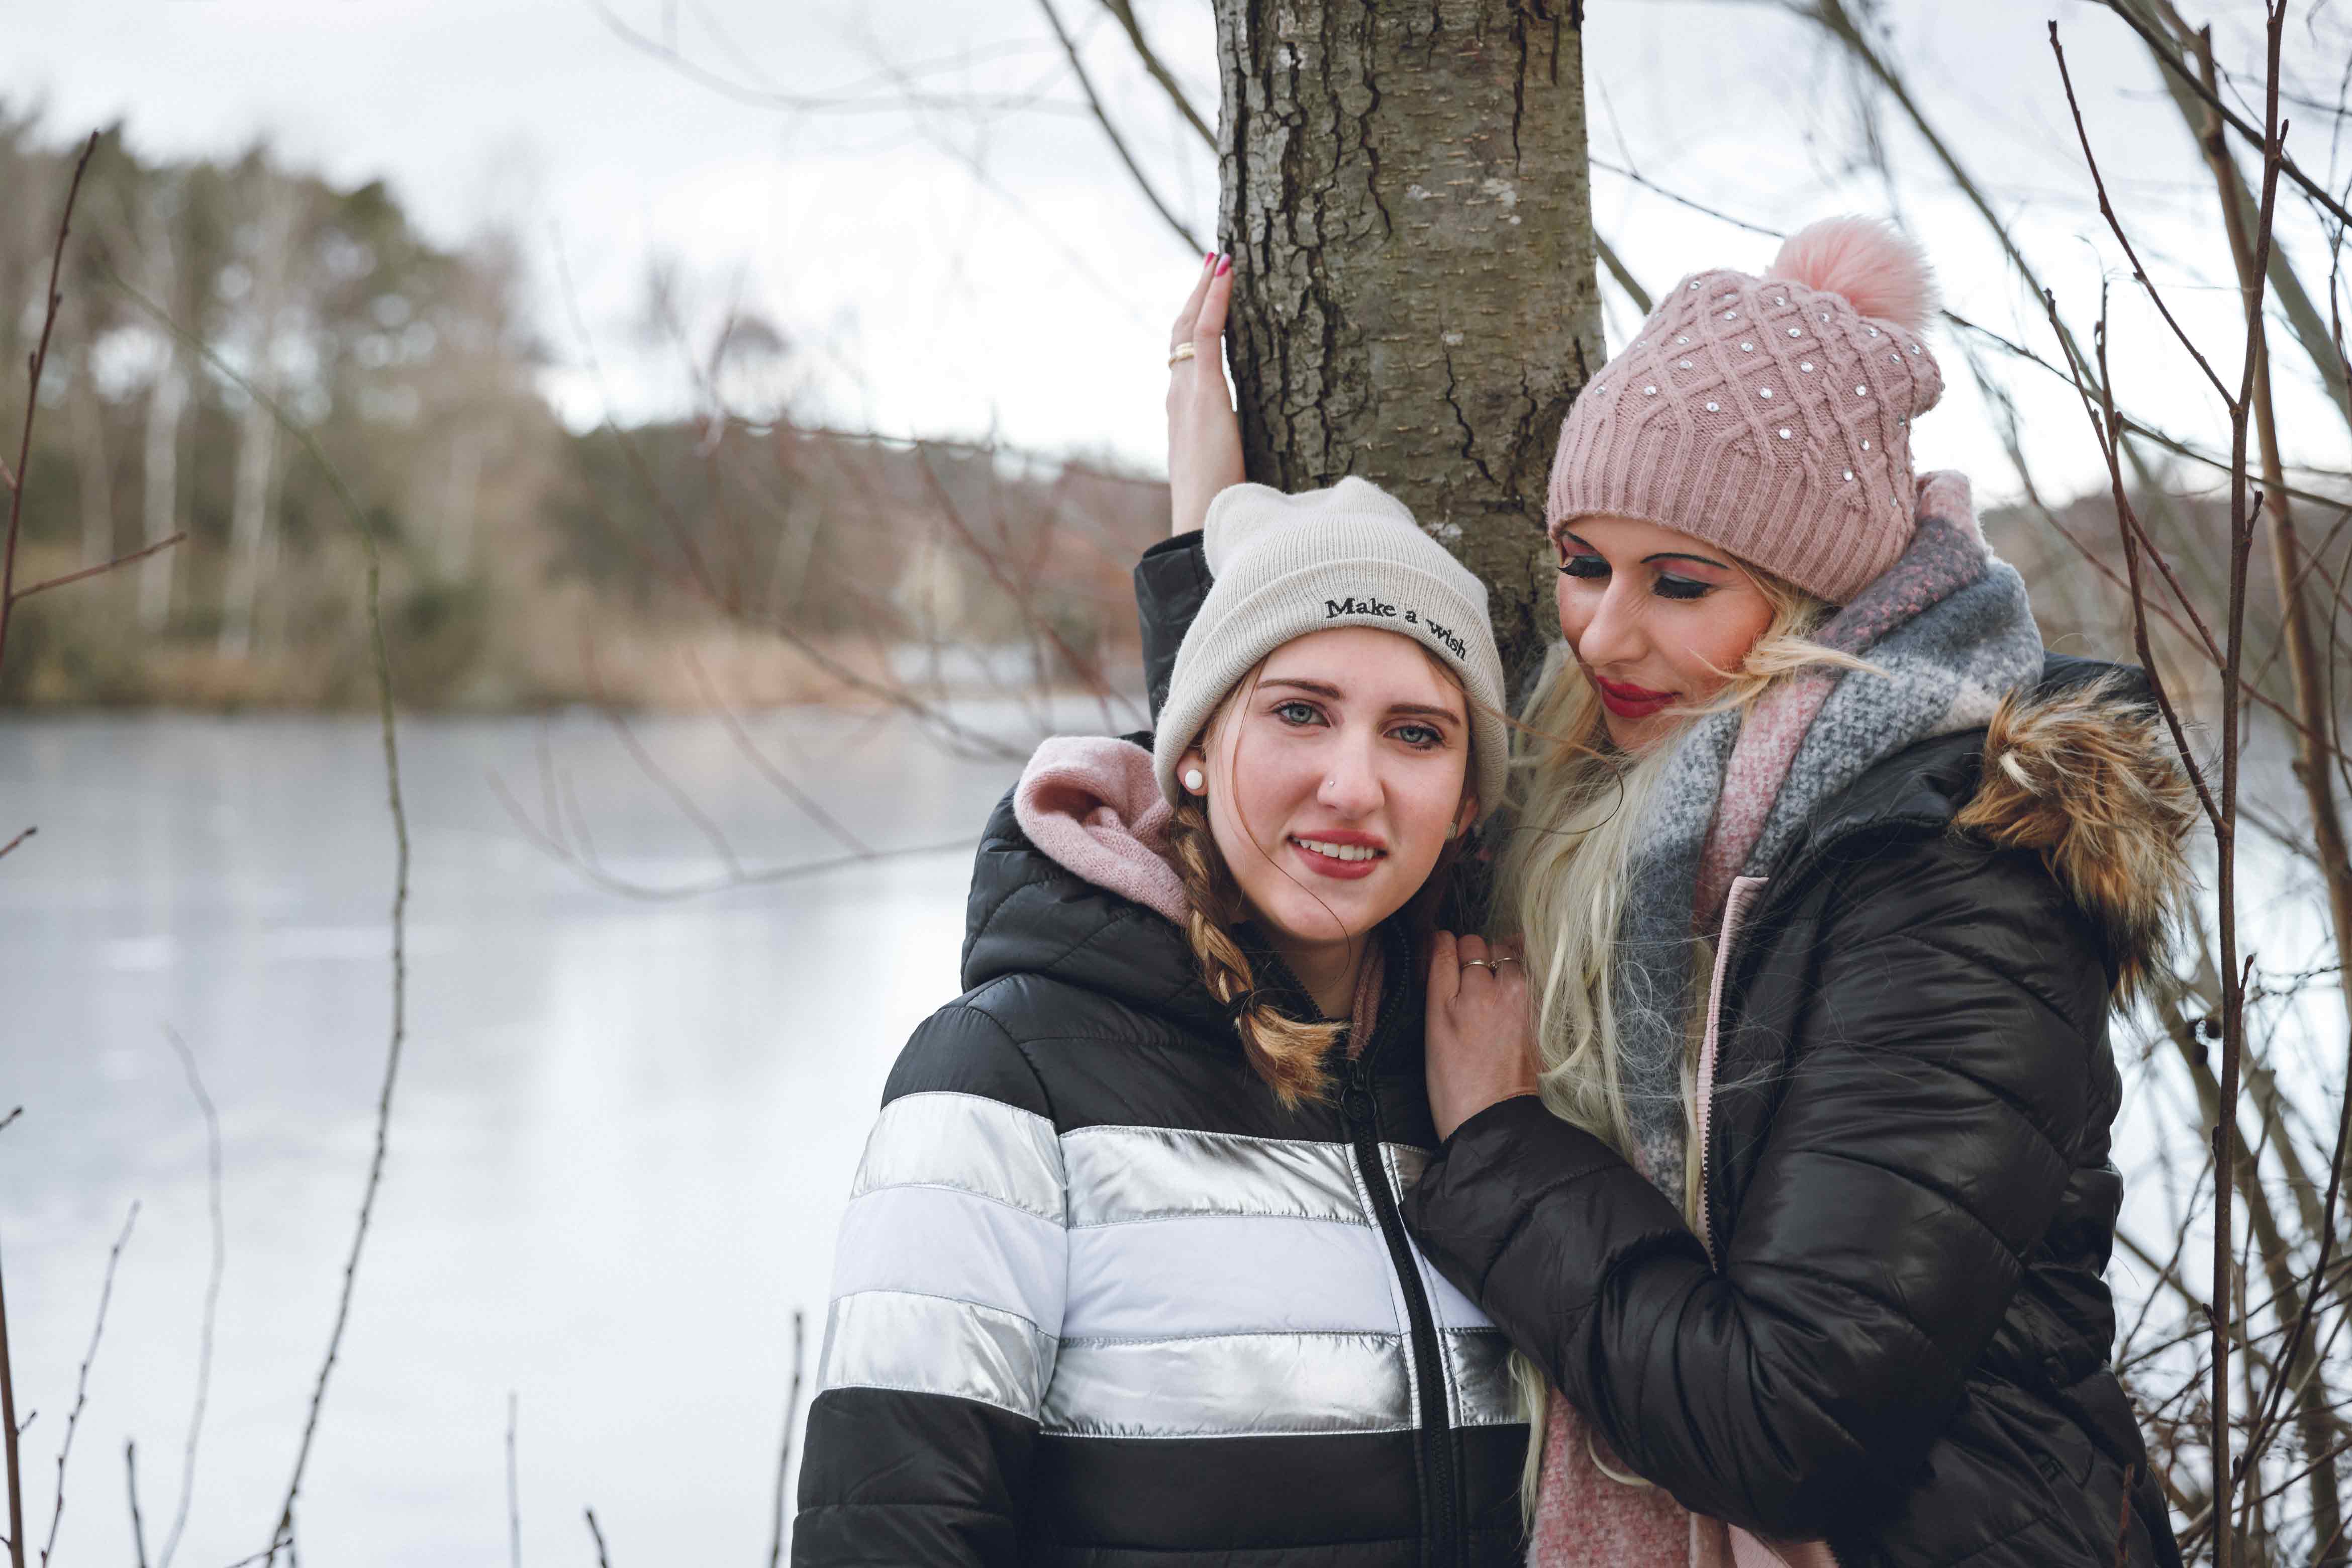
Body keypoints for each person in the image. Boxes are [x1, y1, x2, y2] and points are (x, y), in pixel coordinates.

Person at [1156, 220, 2193, 1566]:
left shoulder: (1951, 875)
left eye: (1681, 583)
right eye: (1582, 563)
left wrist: (1504, 1147)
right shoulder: (1605, 799)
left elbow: (1788, 1429)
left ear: (1822, 589)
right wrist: (1206, 562)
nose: (1601, 633)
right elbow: (1299, 824)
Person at [793, 259, 1531, 1563]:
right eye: (1299, 711)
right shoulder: (1006, 1081)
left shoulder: (1496, 1088)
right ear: (1189, 746)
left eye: (1417, 734)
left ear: (1468, 798)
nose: (1352, 786)